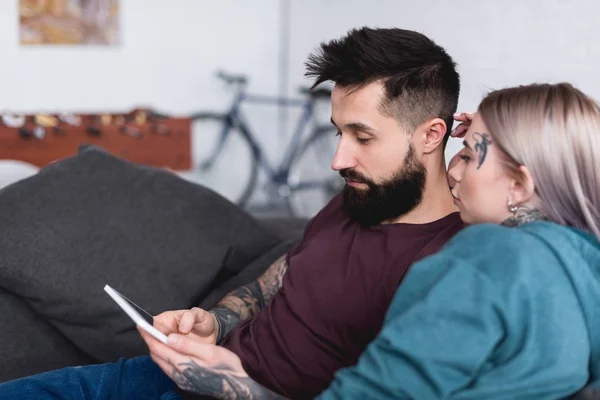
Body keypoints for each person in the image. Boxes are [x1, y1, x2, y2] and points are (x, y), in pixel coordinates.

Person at [0, 27, 464, 399]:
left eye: (362, 138)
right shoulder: (360, 197)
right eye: (338, 132)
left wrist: (236, 388)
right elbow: (280, 277)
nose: (337, 160)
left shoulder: (452, 262)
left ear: (430, 135)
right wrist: (215, 321)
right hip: (180, 375)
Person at [133, 82, 600, 399]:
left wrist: (239, 386)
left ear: (520, 184)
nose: (452, 166)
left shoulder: (483, 259)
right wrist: (499, 133)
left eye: (469, 152)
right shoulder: (581, 264)